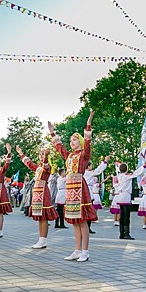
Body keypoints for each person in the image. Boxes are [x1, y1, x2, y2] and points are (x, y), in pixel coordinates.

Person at [48, 109, 97, 262]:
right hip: (70, 189)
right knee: (75, 220)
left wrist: (88, 123)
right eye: (70, 140)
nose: (71, 142)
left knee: (82, 220)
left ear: (80, 141)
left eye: (74, 140)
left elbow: (88, 142)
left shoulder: (84, 154)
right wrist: (52, 133)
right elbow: (59, 147)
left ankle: (85, 251)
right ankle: (77, 249)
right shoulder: (69, 155)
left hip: (79, 188)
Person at [17, 145, 58, 249]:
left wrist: (46, 157)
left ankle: (43, 240)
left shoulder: (47, 166)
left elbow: (45, 165)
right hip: (37, 192)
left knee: (43, 217)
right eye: (40, 154)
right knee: (40, 218)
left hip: (43, 192)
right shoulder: (38, 167)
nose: (41, 156)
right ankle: (41, 239)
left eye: (43, 154)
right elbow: (29, 163)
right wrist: (21, 153)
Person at [115, 161, 146, 240]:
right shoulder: (127, 176)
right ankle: (126, 233)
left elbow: (118, 168)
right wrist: (144, 166)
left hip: (120, 196)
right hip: (126, 196)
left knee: (122, 216)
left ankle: (121, 233)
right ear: (126, 170)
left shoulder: (119, 175)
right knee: (126, 216)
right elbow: (136, 173)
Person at [83, 158, 109, 234]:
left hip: (83, 191)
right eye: (90, 166)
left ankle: (84, 228)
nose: (91, 167)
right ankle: (87, 227)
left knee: (85, 210)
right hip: (88, 192)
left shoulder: (82, 172)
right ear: (88, 167)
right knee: (89, 210)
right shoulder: (89, 172)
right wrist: (105, 162)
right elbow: (98, 170)